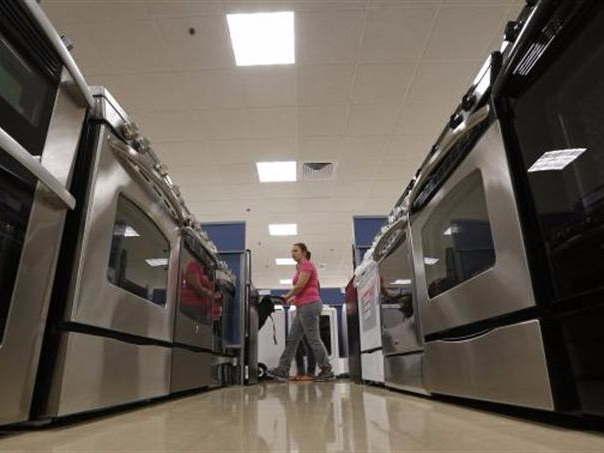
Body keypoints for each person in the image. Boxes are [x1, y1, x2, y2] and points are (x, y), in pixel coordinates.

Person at [268, 243, 334, 382]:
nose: (293, 253)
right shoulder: (300, 268)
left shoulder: (306, 265)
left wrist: (287, 296)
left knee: (313, 339)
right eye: (291, 251)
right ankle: (283, 369)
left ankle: (326, 369)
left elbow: (300, 286)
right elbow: (303, 289)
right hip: (302, 306)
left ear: (304, 252)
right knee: (292, 339)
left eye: (296, 251)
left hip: (309, 306)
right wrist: (293, 298)